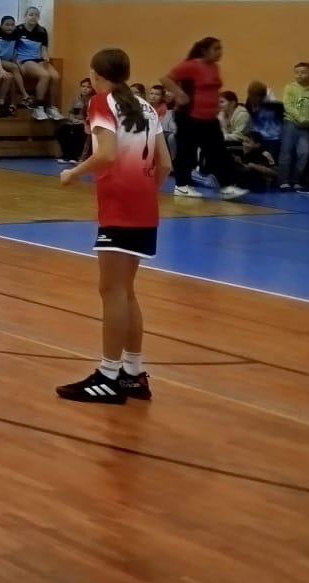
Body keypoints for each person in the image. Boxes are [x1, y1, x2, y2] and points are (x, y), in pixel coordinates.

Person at [55, 49, 165, 405]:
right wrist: (145, 191)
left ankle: (108, 375)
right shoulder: (146, 107)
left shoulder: (102, 101)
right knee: (126, 290)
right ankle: (133, 373)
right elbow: (165, 163)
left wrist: (73, 172)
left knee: (112, 290)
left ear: (96, 75)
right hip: (145, 206)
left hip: (120, 206)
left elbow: (107, 153)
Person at [163, 37, 248, 200]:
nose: (219, 52)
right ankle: (181, 186)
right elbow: (166, 78)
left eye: (220, 48)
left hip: (209, 119)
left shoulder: (214, 67)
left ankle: (227, 186)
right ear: (204, 50)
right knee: (186, 152)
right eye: (215, 49)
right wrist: (179, 94)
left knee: (218, 152)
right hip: (189, 117)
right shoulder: (190, 66)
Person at [280, 62, 309, 192]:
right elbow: (287, 105)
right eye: (297, 72)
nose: (299, 75)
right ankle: (284, 181)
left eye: (303, 72)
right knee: (286, 152)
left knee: (304, 153)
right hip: (290, 123)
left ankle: (296, 180)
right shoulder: (289, 88)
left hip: (306, 126)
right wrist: (300, 118)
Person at [13, 7, 59, 119]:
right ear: (25, 16)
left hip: (38, 59)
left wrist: (46, 57)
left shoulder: (41, 31)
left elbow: (44, 49)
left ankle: (52, 107)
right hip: (25, 61)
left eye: (36, 15)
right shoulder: (18, 30)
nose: (34, 17)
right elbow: (13, 50)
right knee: (45, 75)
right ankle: (38, 107)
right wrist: (18, 65)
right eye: (31, 15)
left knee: (55, 76)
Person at [57, 77, 94, 163]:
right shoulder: (76, 99)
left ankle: (76, 156)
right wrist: (73, 120)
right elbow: (70, 112)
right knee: (61, 130)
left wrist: (83, 122)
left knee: (78, 131)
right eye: (83, 86)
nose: (85, 89)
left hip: (84, 124)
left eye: (88, 87)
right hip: (74, 122)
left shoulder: (92, 99)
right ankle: (67, 155)